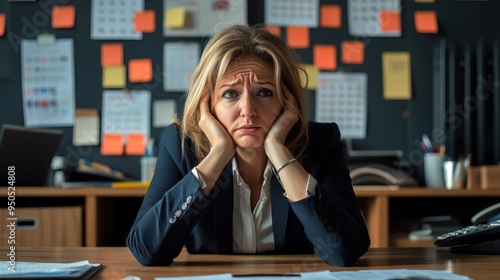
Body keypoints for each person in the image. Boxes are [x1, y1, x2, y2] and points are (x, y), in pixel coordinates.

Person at [127, 24, 370, 267]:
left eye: (264, 92)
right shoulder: (181, 146)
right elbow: (147, 251)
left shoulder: (320, 143)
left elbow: (345, 251)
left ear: (287, 101)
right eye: (230, 94)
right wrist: (218, 155)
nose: (248, 112)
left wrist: (278, 152)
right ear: (208, 103)